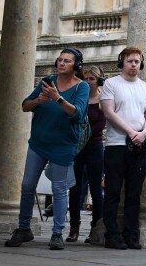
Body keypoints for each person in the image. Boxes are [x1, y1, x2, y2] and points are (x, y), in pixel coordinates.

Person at [5, 48, 89, 250]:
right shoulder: (47, 80)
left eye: (67, 61)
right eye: (59, 60)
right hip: (39, 142)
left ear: (76, 65)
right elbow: (25, 105)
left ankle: (57, 233)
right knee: (27, 186)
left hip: (63, 145)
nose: (61, 63)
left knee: (59, 189)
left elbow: (77, 114)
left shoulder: (82, 87)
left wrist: (57, 98)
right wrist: (39, 100)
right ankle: (24, 229)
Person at [101, 46, 146, 250]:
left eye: (137, 61)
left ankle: (131, 234)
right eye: (130, 61)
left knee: (135, 193)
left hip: (139, 147)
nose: (134, 64)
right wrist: (131, 132)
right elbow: (109, 112)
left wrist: (142, 134)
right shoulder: (111, 84)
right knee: (113, 190)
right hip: (116, 144)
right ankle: (112, 233)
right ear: (122, 62)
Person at [67, 65, 106, 243]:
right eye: (86, 79)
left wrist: (86, 133)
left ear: (98, 80)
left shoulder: (103, 98)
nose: (88, 82)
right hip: (77, 147)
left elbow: (102, 123)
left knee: (96, 189)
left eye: (92, 79)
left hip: (95, 146)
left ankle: (95, 228)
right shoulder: (78, 97)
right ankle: (74, 227)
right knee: (75, 188)